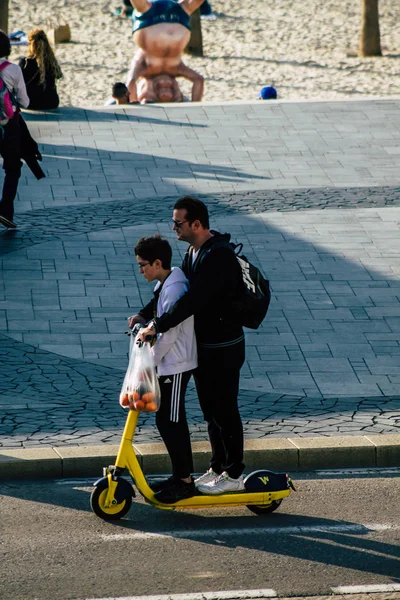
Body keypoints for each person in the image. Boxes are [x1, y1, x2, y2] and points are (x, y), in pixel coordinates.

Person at [133, 197, 246, 495]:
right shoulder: (193, 252)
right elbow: (169, 287)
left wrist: (158, 325)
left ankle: (234, 471)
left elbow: (193, 301)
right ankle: (217, 465)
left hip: (224, 346)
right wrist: (147, 314)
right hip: (205, 348)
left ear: (196, 224)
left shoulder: (218, 256)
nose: (174, 228)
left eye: (178, 223)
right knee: (210, 411)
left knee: (225, 409)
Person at [132, 234, 198, 503]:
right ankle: (179, 476)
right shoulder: (167, 282)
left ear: (158, 263)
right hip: (171, 363)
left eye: (143, 264)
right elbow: (158, 314)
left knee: (171, 421)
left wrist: (150, 361)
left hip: (176, 365)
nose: (140, 270)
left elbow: (168, 333)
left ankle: (184, 481)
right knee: (167, 421)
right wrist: (142, 317)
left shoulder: (173, 288)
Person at [126, 0, 205, 103]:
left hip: (169, 62)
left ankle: (196, 108)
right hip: (152, 60)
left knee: (199, 79)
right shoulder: (146, 9)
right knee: (131, 79)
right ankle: (132, 105)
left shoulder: (182, 9)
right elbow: (131, 81)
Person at [0, 30, 30, 229]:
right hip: (7, 124)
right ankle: (6, 211)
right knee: (12, 168)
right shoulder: (12, 70)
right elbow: (25, 102)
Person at [18, 29, 62, 110]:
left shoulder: (25, 62)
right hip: (51, 102)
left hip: (30, 103)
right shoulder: (51, 62)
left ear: (30, 44)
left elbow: (18, 83)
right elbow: (59, 75)